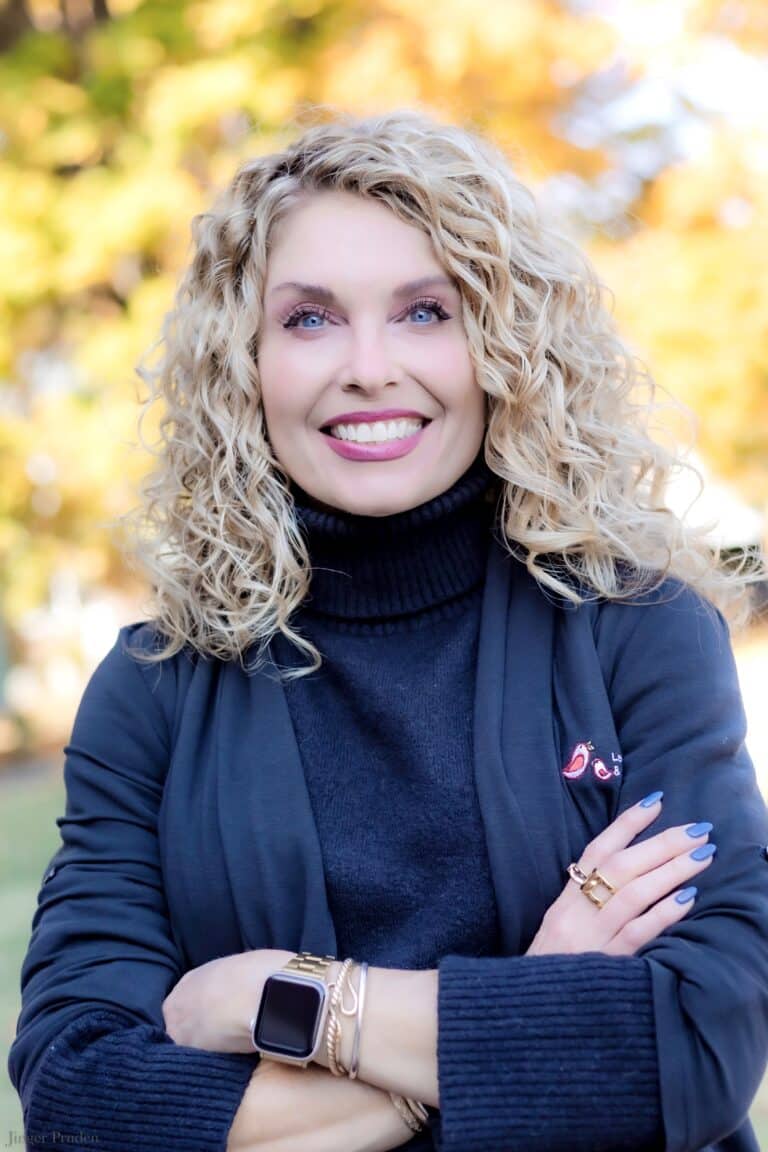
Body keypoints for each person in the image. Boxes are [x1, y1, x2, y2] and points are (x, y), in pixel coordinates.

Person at [8, 106, 768, 1152]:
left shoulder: (638, 634)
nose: (368, 366)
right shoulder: (157, 687)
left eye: (424, 312)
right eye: (309, 320)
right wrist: (532, 1002)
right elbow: (78, 1096)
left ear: (504, 342)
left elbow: (702, 1043)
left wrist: (291, 1000)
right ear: (243, 361)